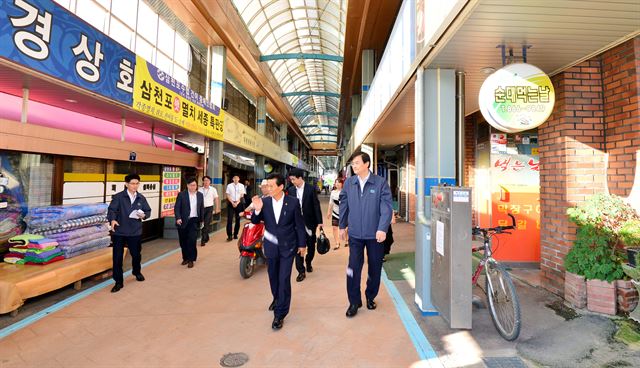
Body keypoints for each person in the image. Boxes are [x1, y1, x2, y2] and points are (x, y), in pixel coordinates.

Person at [339, 152, 392, 318]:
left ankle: (370, 296)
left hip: (375, 235)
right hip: (355, 234)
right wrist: (342, 226)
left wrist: (382, 228)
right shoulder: (349, 183)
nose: (354, 166)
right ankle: (354, 302)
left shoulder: (380, 183)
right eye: (352, 164)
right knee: (353, 268)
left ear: (367, 164)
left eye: (356, 163)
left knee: (375, 268)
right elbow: (344, 204)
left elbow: (386, 207)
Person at [251, 173, 306, 330]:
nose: (267, 188)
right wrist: (256, 210)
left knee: (284, 279)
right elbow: (255, 222)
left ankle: (280, 314)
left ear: (281, 187)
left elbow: (299, 225)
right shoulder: (265, 202)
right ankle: (277, 298)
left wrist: (302, 244)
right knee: (273, 277)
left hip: (288, 246)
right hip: (271, 247)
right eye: (266, 186)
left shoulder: (293, 202)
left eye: (271, 186)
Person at [107, 173, 152, 293]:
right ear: (126, 184)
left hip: (135, 232)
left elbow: (148, 211)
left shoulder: (141, 198)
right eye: (132, 183)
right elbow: (112, 210)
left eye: (137, 183)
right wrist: (113, 219)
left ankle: (136, 271)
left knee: (136, 255)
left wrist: (144, 215)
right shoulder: (118, 197)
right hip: (119, 232)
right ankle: (118, 281)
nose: (135, 186)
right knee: (117, 258)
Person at [287, 168, 323, 282]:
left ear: (300, 178)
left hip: (309, 223)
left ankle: (308, 261)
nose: (292, 181)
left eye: (293, 179)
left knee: (311, 246)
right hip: (296, 225)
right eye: (291, 179)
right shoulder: (291, 190)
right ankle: (301, 271)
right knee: (298, 247)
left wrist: (319, 222)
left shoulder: (310, 189)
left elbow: (316, 205)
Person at [174, 177, 205, 268]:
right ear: (187, 185)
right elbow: (177, 208)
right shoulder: (181, 195)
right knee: (183, 241)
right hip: (183, 221)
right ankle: (185, 258)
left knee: (192, 240)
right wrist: (178, 218)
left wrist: (202, 219)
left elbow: (201, 208)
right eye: (191, 185)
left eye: (194, 185)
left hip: (194, 220)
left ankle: (191, 259)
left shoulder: (199, 195)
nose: (193, 187)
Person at [199, 176, 220, 247]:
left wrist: (217, 208)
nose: (206, 182)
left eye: (207, 180)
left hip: (209, 208)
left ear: (210, 182)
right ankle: (206, 236)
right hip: (201, 209)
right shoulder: (200, 190)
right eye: (204, 180)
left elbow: (216, 199)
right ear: (203, 182)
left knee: (207, 223)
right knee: (202, 223)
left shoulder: (213, 189)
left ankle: (203, 239)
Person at [225, 175, 246, 241]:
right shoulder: (229, 185)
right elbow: (228, 195)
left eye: (237, 178)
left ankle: (235, 234)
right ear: (233, 179)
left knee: (237, 219)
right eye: (234, 178)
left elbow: (242, 195)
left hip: (238, 203)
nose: (236, 179)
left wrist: (237, 203)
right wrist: (232, 202)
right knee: (229, 219)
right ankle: (229, 235)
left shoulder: (242, 185)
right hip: (231, 203)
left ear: (239, 179)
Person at [326, 178, 344, 250]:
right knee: (334, 228)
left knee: (345, 229)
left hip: (344, 213)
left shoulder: (345, 191)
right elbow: (331, 203)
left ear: (342, 184)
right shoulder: (333, 192)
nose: (337, 184)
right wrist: (329, 212)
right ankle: (337, 243)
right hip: (335, 213)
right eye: (336, 182)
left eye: (339, 182)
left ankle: (346, 240)